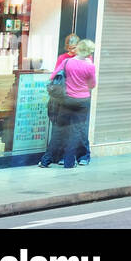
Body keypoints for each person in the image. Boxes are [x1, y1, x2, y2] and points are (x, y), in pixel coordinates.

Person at [41, 39, 97, 169]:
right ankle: (69, 162)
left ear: (78, 49)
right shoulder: (90, 66)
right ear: (89, 53)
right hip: (82, 102)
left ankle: (46, 160)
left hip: (66, 100)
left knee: (59, 131)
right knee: (76, 132)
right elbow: (92, 85)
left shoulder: (67, 62)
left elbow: (53, 76)